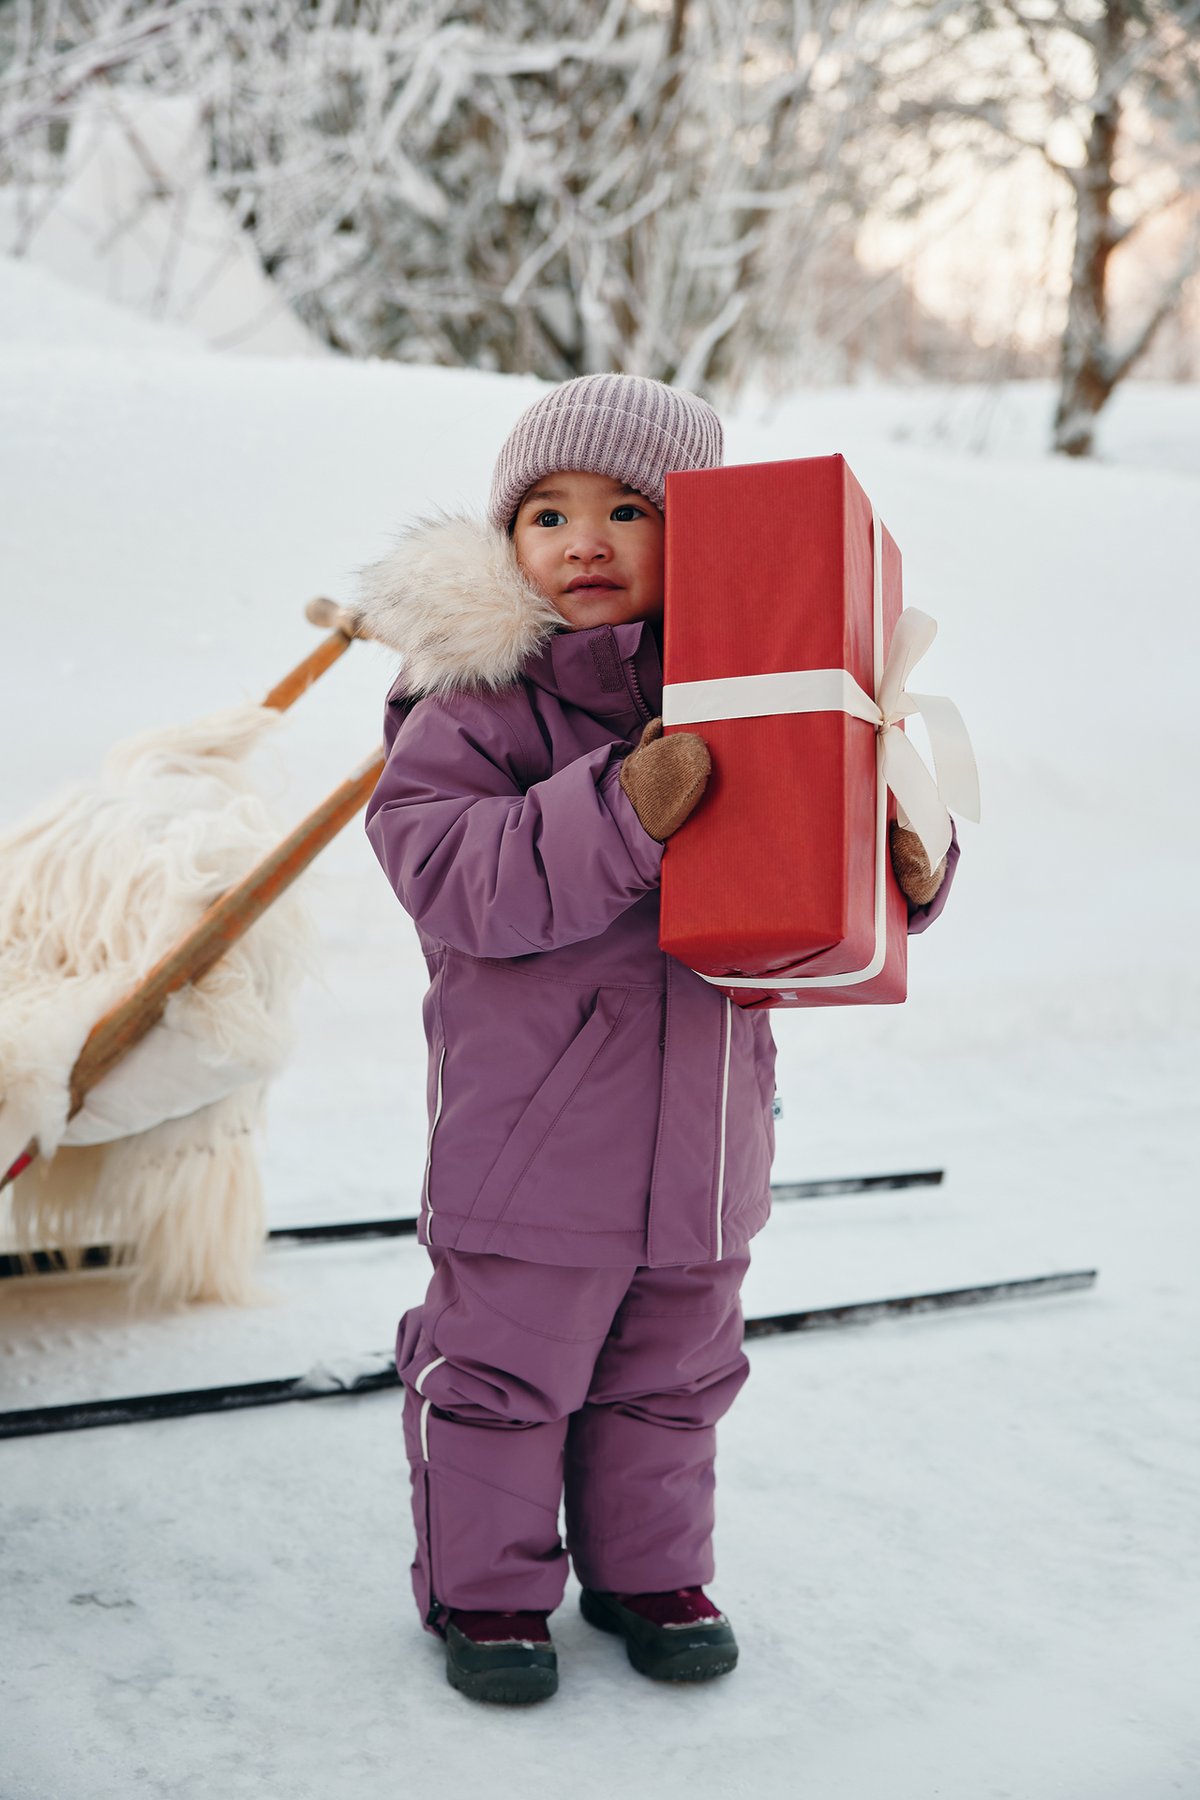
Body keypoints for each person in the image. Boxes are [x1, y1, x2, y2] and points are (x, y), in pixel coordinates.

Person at [358, 374, 960, 1706]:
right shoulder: (475, 707)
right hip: (532, 1145)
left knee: (674, 1377)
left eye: (631, 510)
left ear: (705, 535)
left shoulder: (764, 692)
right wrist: (625, 804)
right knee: (505, 1376)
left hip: (709, 1141)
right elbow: (457, 878)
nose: (586, 541)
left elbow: (817, 857)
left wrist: (901, 860)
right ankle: (488, 1590)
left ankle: (651, 1573)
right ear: (507, 539)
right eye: (549, 514)